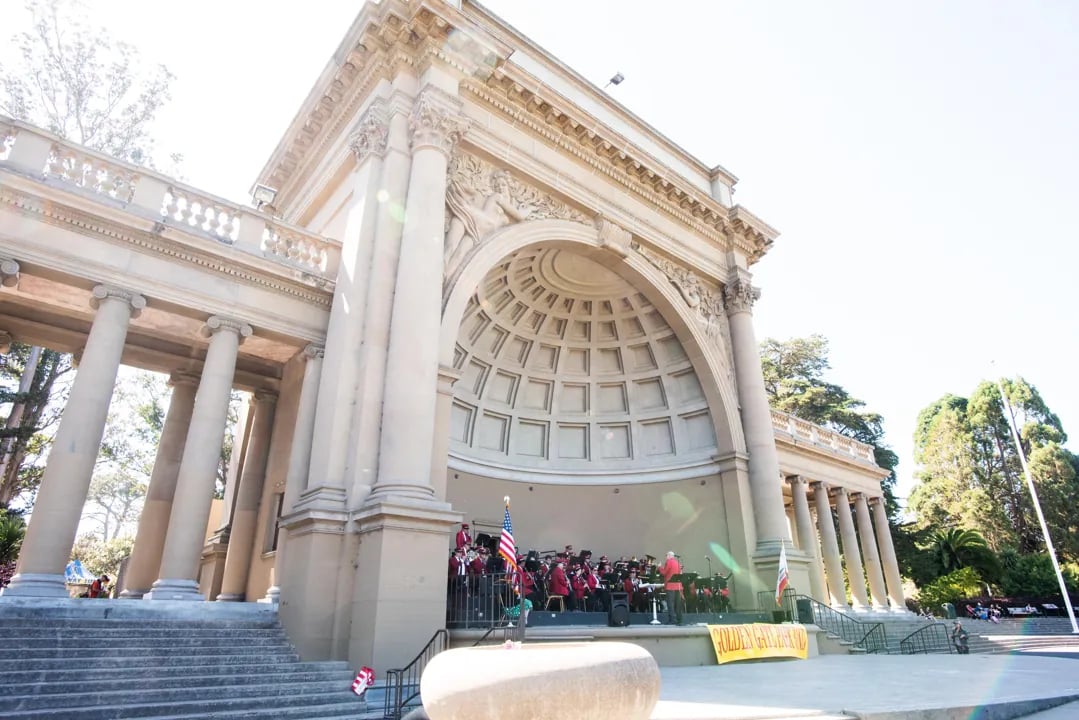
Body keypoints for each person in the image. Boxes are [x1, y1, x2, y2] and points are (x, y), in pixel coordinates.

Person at [659, 551, 684, 625]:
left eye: (666, 555)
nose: (666, 557)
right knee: (678, 604)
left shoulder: (669, 562)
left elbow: (664, 573)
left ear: (670, 556)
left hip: (670, 586)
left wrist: (659, 567)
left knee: (670, 604)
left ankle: (672, 620)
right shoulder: (678, 563)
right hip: (678, 586)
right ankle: (679, 620)